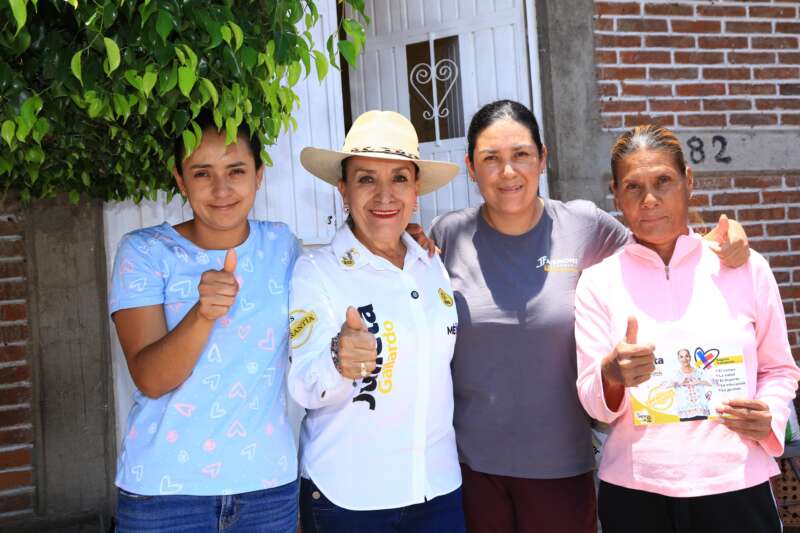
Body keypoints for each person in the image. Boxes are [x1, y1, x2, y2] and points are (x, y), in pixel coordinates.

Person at [429, 100, 750, 533]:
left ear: (543, 158)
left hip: (562, 467)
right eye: (491, 159)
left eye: (521, 154)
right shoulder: (447, 235)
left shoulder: (583, 225)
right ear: (470, 167)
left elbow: (659, 247)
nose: (508, 172)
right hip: (471, 469)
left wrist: (722, 242)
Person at [575, 124, 800, 533]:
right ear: (615, 194)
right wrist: (611, 374)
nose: (649, 200)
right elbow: (592, 400)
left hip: (736, 485)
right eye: (633, 186)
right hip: (636, 493)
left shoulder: (746, 268)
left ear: (688, 181)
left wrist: (769, 413)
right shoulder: (598, 282)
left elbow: (779, 370)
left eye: (663, 181)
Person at [108, 111, 300, 532]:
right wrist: (202, 314)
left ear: (259, 174)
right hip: (164, 494)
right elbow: (151, 379)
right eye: (202, 173)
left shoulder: (282, 246)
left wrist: (403, 239)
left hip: (266, 488)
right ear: (180, 180)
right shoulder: (144, 252)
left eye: (236, 170)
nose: (221, 189)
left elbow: (346, 266)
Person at [288, 110, 465, 532]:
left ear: (416, 190)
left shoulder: (431, 264)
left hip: (437, 489)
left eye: (399, 178)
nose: (385, 195)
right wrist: (337, 359)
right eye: (366, 178)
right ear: (343, 190)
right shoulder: (317, 270)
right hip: (348, 497)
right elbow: (304, 385)